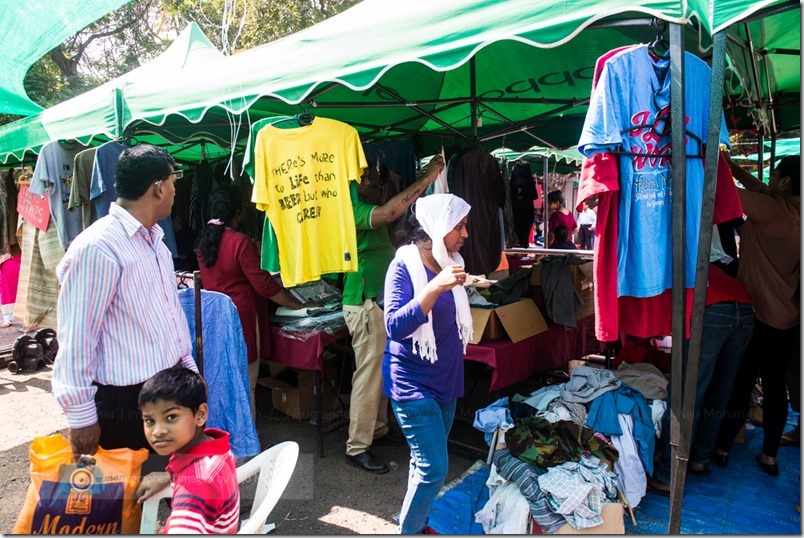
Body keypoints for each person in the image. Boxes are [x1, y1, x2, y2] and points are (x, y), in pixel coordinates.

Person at [51, 144, 196, 466]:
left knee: (163, 489)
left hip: (164, 388)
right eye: (175, 179)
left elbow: (168, 316)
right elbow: (77, 337)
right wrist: (81, 416)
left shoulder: (154, 241)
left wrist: (190, 372)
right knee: (126, 501)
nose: (176, 188)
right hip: (125, 401)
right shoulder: (99, 247)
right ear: (159, 188)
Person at [343, 154, 446, 474]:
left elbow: (391, 221)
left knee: (381, 372)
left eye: (373, 178)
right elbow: (389, 213)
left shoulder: (365, 210)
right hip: (365, 300)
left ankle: (377, 430)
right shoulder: (352, 210)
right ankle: (357, 446)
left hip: (378, 301)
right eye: (365, 179)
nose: (373, 183)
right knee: (369, 376)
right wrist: (427, 178)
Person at [383, 193, 472, 534]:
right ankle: (408, 530)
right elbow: (395, 325)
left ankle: (417, 524)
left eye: (465, 226)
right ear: (436, 226)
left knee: (423, 463)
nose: (464, 235)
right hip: (411, 381)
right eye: (458, 226)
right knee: (434, 468)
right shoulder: (404, 264)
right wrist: (434, 288)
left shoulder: (449, 261)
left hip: (445, 380)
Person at [712, 154, 800, 476]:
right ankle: (770, 456)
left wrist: (716, 165)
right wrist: (734, 167)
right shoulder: (793, 211)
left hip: (757, 313)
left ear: (786, 181)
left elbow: (729, 194)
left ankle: (720, 447)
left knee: (741, 381)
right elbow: (759, 188)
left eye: (775, 175)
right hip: (787, 317)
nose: (770, 180)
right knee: (776, 385)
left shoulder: (774, 211)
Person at [195, 185, 314, 420]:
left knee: (226, 379)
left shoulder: (204, 241)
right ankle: (247, 444)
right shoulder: (239, 242)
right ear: (238, 213)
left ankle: (226, 434)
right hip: (243, 317)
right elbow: (265, 286)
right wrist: (296, 305)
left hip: (215, 318)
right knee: (246, 382)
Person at [136, 367, 240, 534]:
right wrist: (170, 476)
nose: (158, 431)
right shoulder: (215, 448)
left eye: (171, 417)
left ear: (200, 414)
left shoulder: (195, 486)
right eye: (149, 421)